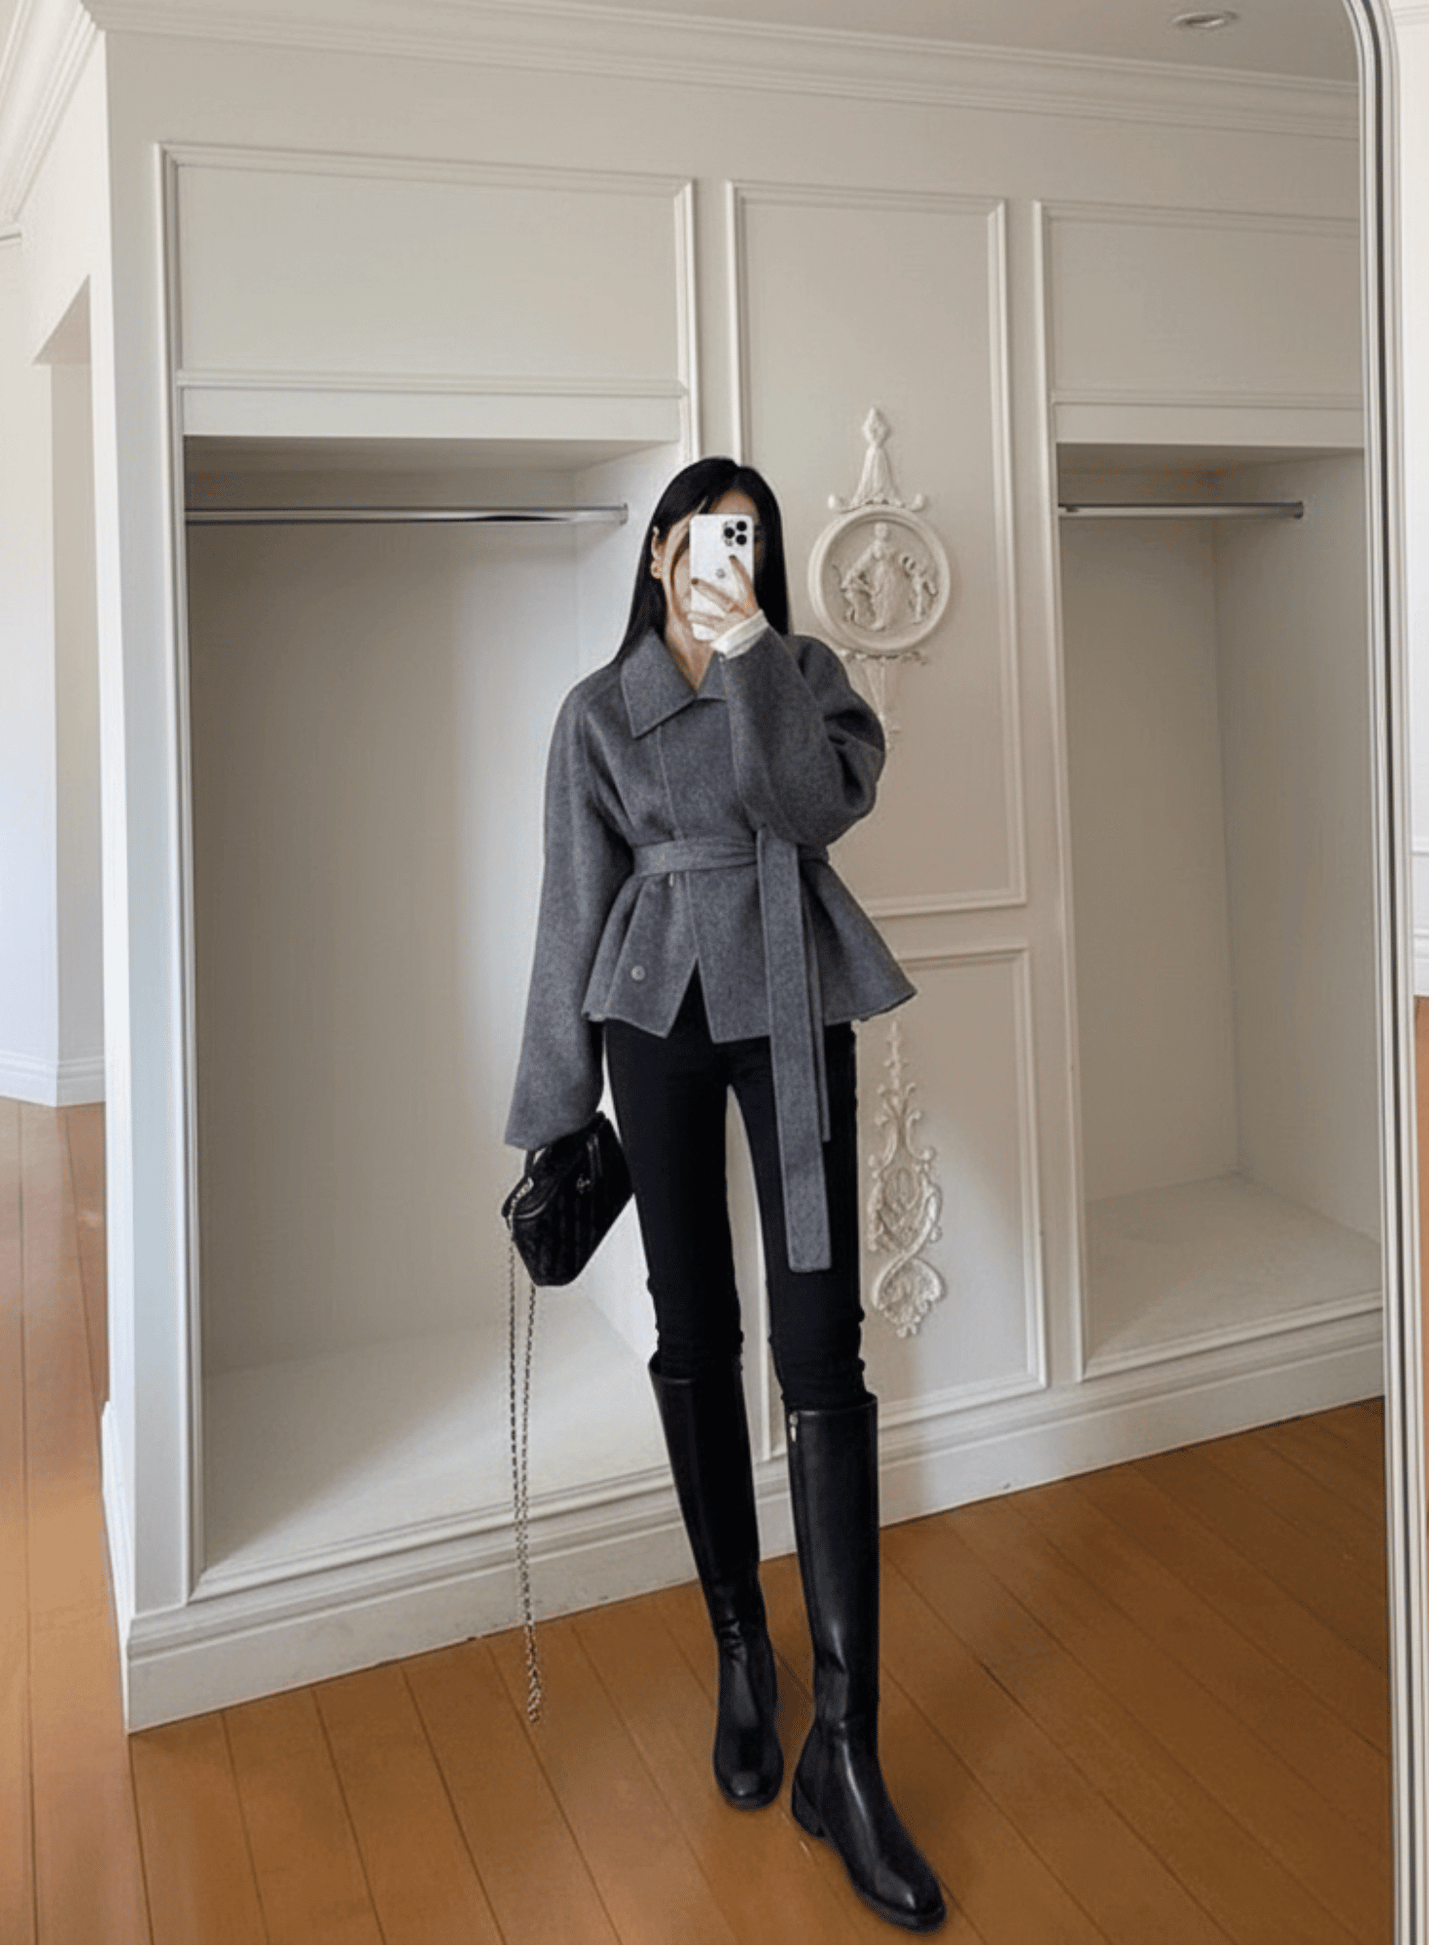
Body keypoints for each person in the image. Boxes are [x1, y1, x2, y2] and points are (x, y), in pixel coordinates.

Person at [506, 457, 945, 1933]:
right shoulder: (595, 712)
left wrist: (753, 652)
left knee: (825, 1347)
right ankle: (743, 1655)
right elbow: (569, 911)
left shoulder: (802, 676)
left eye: (744, 537)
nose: (718, 557)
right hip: (653, 1013)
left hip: (791, 993)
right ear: (655, 551)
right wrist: (553, 1113)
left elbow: (807, 810)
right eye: (699, 536)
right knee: (694, 1329)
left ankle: (848, 1748)